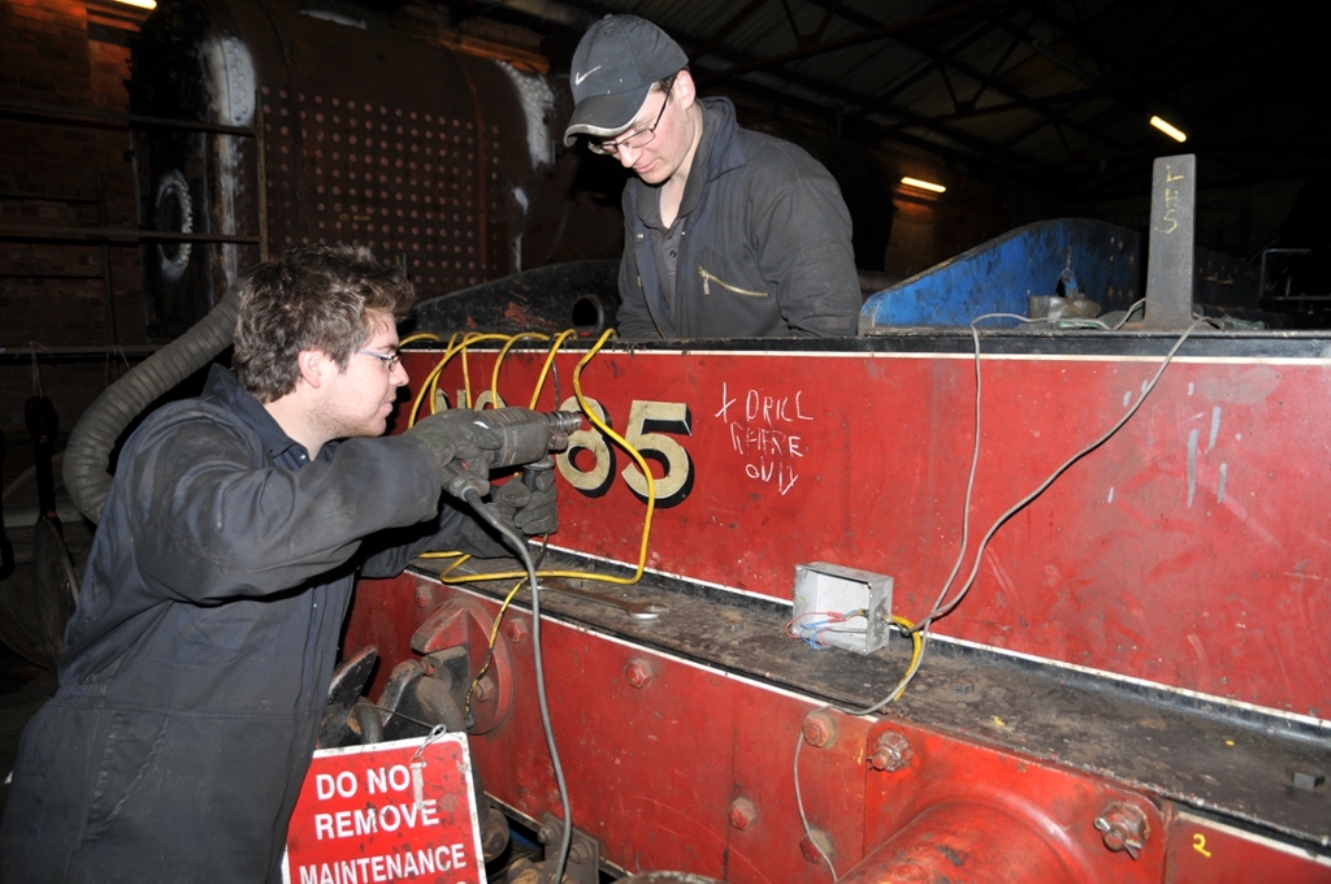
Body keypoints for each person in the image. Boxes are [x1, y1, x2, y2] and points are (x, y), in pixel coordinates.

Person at [0, 244, 555, 882]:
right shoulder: (182, 439)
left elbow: (379, 541)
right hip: (126, 816)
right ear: (314, 363)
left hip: (232, 814)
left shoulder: (312, 473)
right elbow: (235, 540)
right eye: (386, 357)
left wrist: (495, 522)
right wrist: (421, 456)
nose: (402, 377)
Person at [564, 14, 862, 340]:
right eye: (608, 144)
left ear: (682, 89)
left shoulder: (784, 187)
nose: (627, 159)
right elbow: (639, 318)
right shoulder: (637, 194)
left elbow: (827, 340)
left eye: (639, 131)